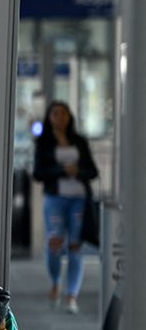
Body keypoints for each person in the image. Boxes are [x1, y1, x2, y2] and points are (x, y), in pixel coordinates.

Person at [32, 100, 99, 313]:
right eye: (55, 114)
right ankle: (55, 281)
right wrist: (62, 171)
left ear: (69, 116)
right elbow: (38, 173)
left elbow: (92, 171)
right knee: (54, 242)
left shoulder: (79, 141)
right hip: (56, 198)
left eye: (63, 113)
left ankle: (71, 294)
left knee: (75, 245)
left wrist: (77, 172)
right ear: (49, 118)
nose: (59, 118)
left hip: (79, 198)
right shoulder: (44, 143)